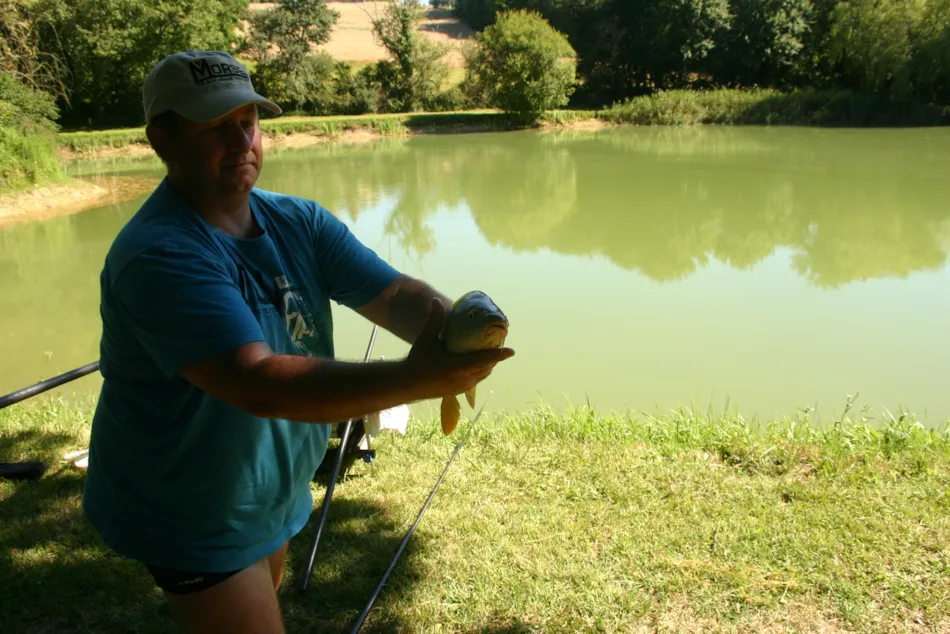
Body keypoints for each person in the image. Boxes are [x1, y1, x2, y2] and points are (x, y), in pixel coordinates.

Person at [81, 49, 514, 634]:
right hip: (190, 507)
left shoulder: (298, 221)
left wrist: (458, 330)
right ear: (163, 140)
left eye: (248, 122)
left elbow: (393, 295)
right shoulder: (160, 254)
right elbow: (256, 381)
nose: (241, 141)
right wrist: (418, 378)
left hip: (271, 492)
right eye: (214, 126)